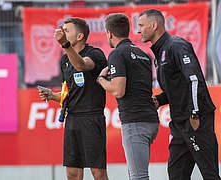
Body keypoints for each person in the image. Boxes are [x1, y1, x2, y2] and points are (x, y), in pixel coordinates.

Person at [138, 9, 221, 180]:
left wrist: (195, 112)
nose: (138, 30)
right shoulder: (159, 54)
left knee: (210, 174)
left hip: (196, 119)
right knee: (176, 174)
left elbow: (194, 80)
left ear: (154, 26)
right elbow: (176, 88)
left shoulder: (176, 45)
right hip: (178, 123)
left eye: (141, 25)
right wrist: (158, 100)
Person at [38, 17, 109, 180]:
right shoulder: (64, 60)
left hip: (92, 118)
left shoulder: (95, 54)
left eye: (67, 30)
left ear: (80, 37)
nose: (62, 32)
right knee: (72, 173)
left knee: (97, 172)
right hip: (73, 119)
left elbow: (82, 65)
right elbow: (68, 94)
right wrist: (52, 95)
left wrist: (65, 45)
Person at [97, 13, 159, 180]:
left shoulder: (117, 54)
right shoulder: (144, 54)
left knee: (138, 177)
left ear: (109, 33)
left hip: (134, 121)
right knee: (138, 174)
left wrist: (101, 80)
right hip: (151, 120)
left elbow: (119, 91)